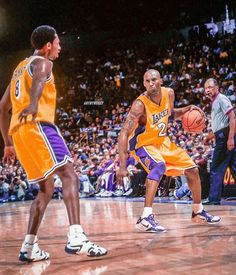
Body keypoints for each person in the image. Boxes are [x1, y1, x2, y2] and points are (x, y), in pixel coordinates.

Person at [0, 25, 107, 262]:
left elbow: (2, 107)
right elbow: (39, 79)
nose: (60, 47)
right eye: (58, 42)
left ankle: (29, 247)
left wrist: (7, 142)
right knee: (69, 176)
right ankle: (77, 237)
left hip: (19, 134)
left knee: (45, 189)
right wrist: (35, 104)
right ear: (48, 45)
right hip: (38, 125)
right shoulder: (44, 62)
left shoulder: (18, 69)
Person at [117, 69, 220, 233]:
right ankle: (145, 216)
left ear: (160, 80)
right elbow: (123, 132)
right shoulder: (139, 104)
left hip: (162, 141)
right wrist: (122, 165)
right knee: (158, 166)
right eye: (147, 81)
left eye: (154, 79)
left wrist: (187, 109)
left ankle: (197, 211)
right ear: (144, 84)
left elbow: (170, 115)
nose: (151, 83)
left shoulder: (169, 93)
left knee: (192, 170)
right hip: (143, 144)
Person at [203, 78, 236, 205]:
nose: (207, 90)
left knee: (216, 168)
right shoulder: (215, 102)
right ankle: (214, 198)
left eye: (210, 87)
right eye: (206, 88)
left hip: (226, 137)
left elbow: (233, 118)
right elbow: (220, 125)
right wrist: (209, 137)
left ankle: (213, 198)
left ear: (217, 87)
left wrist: (231, 138)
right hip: (223, 135)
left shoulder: (221, 99)